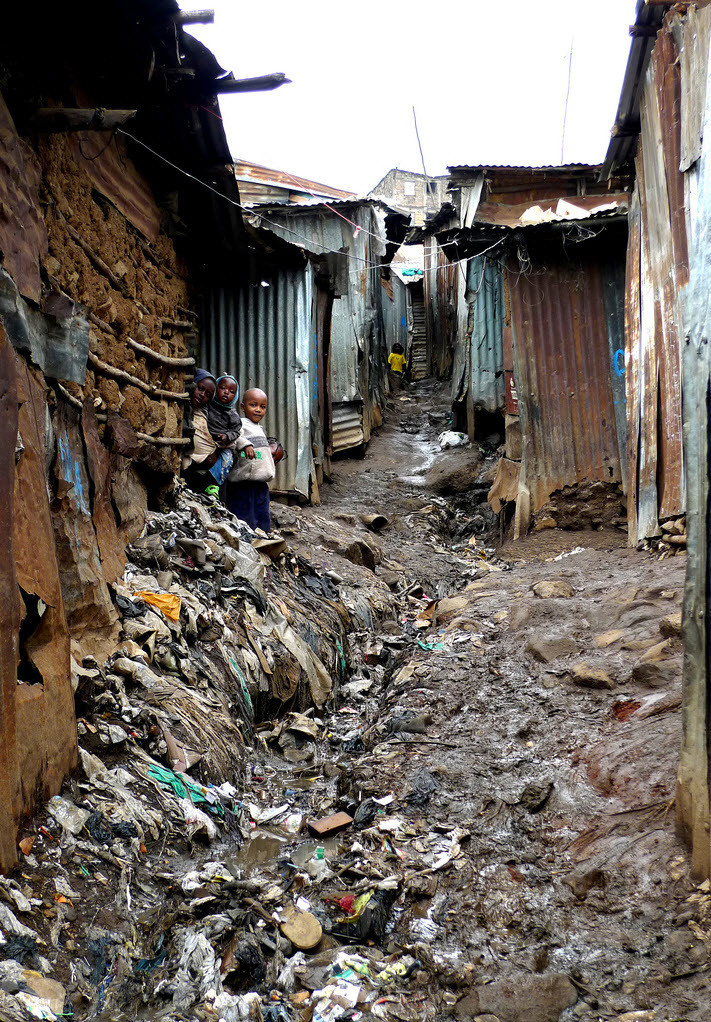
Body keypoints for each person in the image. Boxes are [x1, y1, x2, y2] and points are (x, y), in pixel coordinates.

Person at [182, 369, 252, 497]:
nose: (226, 393)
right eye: (223, 388)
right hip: (202, 453)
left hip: (223, 445)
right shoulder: (205, 408)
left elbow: (236, 431)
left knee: (227, 460)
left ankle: (211, 485)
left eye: (231, 392)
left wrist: (227, 437)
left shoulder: (233, 415)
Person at [224, 388, 276, 533]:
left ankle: (263, 539)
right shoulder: (240, 424)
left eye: (262, 406)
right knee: (244, 518)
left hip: (260, 483)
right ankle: (246, 542)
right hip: (243, 483)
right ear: (242, 407)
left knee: (262, 516)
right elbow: (232, 439)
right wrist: (244, 444)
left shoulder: (258, 428)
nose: (258, 410)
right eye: (253, 405)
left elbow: (256, 454)